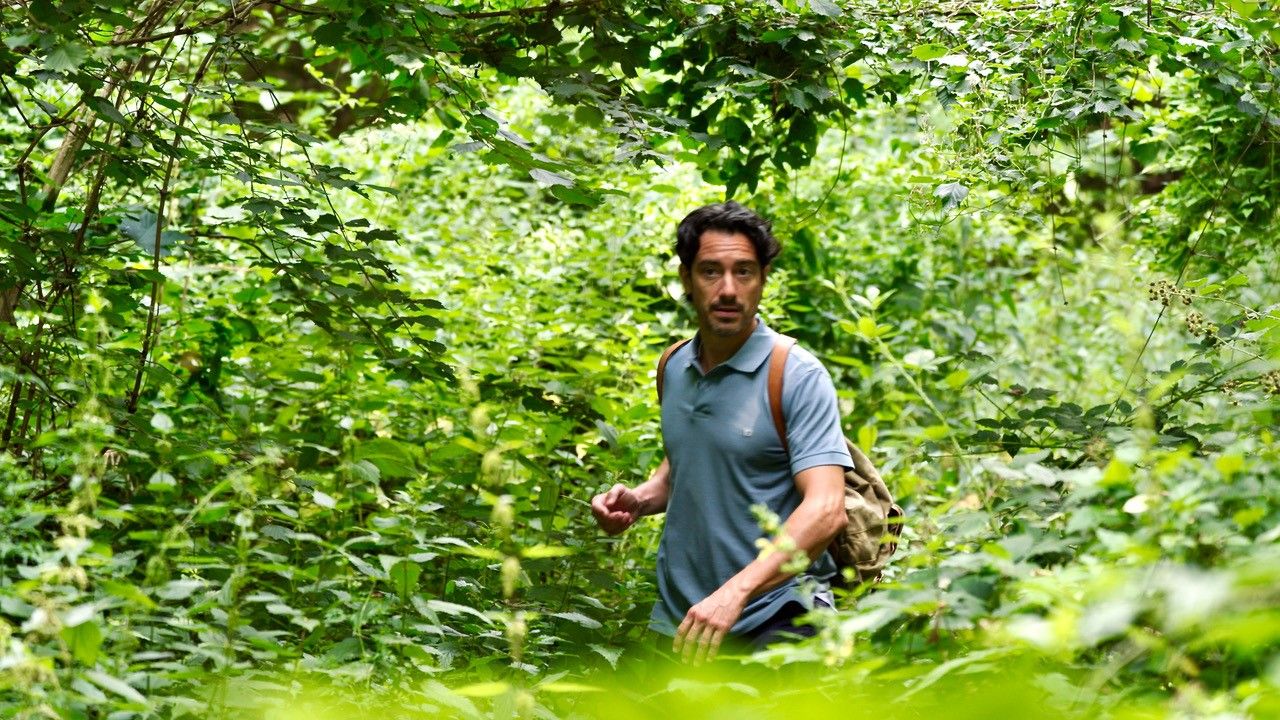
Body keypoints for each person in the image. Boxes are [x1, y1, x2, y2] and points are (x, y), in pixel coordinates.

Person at [591, 201, 852, 664]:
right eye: (711, 271)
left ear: (763, 278)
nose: (728, 289)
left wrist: (737, 592)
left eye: (744, 272)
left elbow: (827, 509)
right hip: (683, 621)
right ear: (687, 277)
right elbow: (683, 467)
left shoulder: (794, 374)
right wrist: (638, 499)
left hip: (779, 617)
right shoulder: (674, 366)